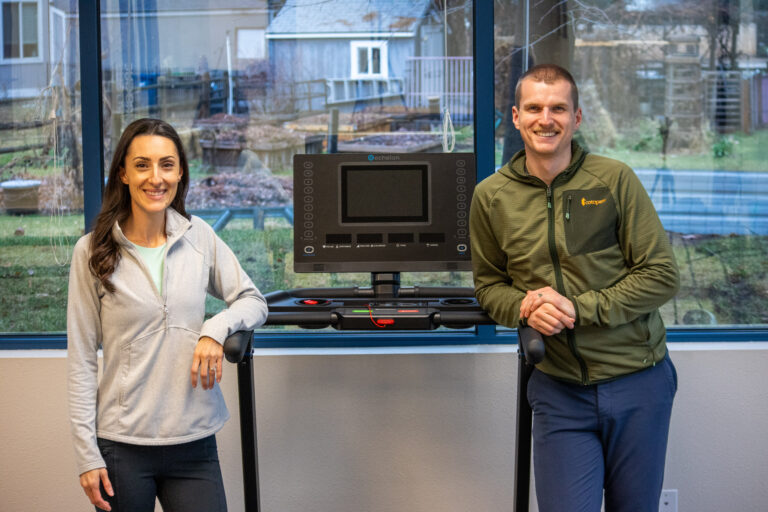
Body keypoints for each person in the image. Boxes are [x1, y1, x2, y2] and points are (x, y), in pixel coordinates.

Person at [470, 64, 680, 512]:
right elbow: (489, 287)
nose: (546, 118)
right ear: (515, 116)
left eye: (558, 108)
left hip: (637, 380)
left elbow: (660, 274)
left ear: (577, 118)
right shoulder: (490, 196)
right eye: (534, 108)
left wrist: (577, 309)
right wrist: (525, 307)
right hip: (558, 389)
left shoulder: (614, 180)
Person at [67, 118, 268, 512]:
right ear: (123, 173)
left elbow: (252, 300)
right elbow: (81, 360)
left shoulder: (200, 237)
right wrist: (86, 455)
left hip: (194, 441)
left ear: (179, 173)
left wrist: (214, 329)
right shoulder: (91, 250)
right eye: (142, 165)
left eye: (167, 164)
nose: (155, 178)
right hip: (122, 445)